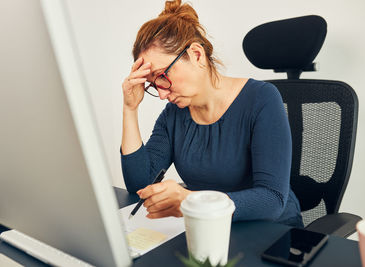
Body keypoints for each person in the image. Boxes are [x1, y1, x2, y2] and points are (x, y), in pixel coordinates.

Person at [121, 0, 303, 227]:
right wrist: (130, 108)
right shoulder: (174, 115)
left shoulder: (262, 99)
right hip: (211, 228)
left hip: (271, 233)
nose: (161, 95)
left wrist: (189, 200)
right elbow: (140, 184)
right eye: (153, 85)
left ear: (196, 55)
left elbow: (272, 199)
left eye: (162, 77)